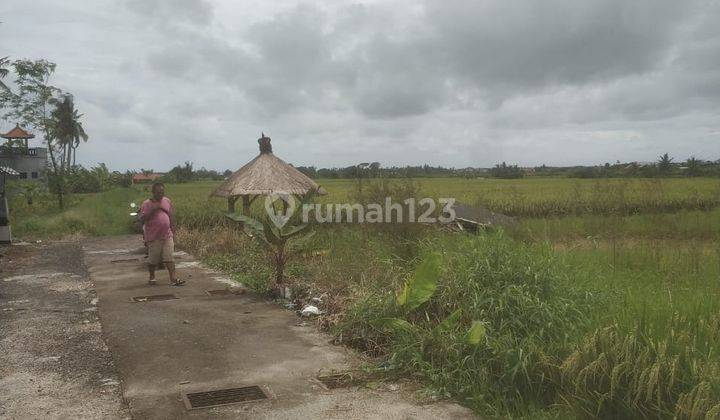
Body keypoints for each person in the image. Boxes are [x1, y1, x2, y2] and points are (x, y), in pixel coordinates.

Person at [139, 182, 185, 286]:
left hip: (167, 235)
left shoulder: (167, 201)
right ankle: (152, 277)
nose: (161, 194)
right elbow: (141, 219)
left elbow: (171, 216)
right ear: (153, 192)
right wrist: (152, 210)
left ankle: (173, 279)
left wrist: (174, 231)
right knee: (153, 260)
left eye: (162, 192)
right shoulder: (147, 204)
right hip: (154, 236)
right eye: (158, 192)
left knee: (169, 257)